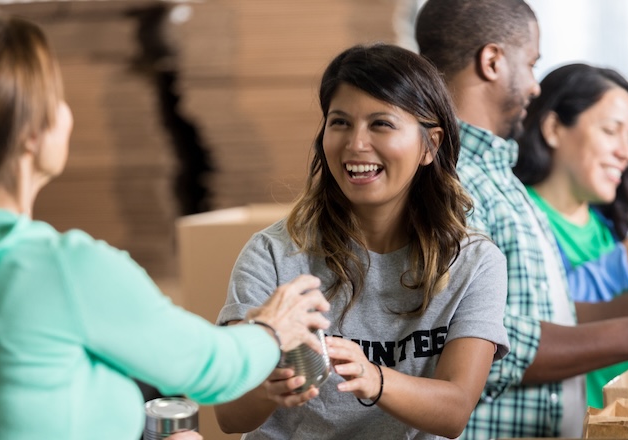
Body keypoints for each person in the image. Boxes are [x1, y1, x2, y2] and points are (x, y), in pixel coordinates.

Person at [0, 6, 331, 440]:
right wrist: (270, 328)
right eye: (57, 97)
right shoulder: (63, 269)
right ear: (30, 134)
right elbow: (211, 369)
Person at [415, 0, 628, 438]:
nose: (534, 87)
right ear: (492, 62)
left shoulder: (498, 179)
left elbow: (545, 316)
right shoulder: (450, 180)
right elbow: (485, 346)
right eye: (531, 64)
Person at [213, 43, 510, 439]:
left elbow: (455, 410)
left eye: (380, 124)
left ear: (430, 145)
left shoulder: (473, 262)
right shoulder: (274, 254)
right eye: (339, 123)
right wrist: (269, 390)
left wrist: (374, 378)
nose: (355, 144)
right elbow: (230, 418)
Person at [512, 63, 628, 409]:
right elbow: (529, 322)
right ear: (553, 128)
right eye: (611, 131)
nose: (627, 153)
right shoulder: (519, 218)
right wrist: (615, 269)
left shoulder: (609, 230)